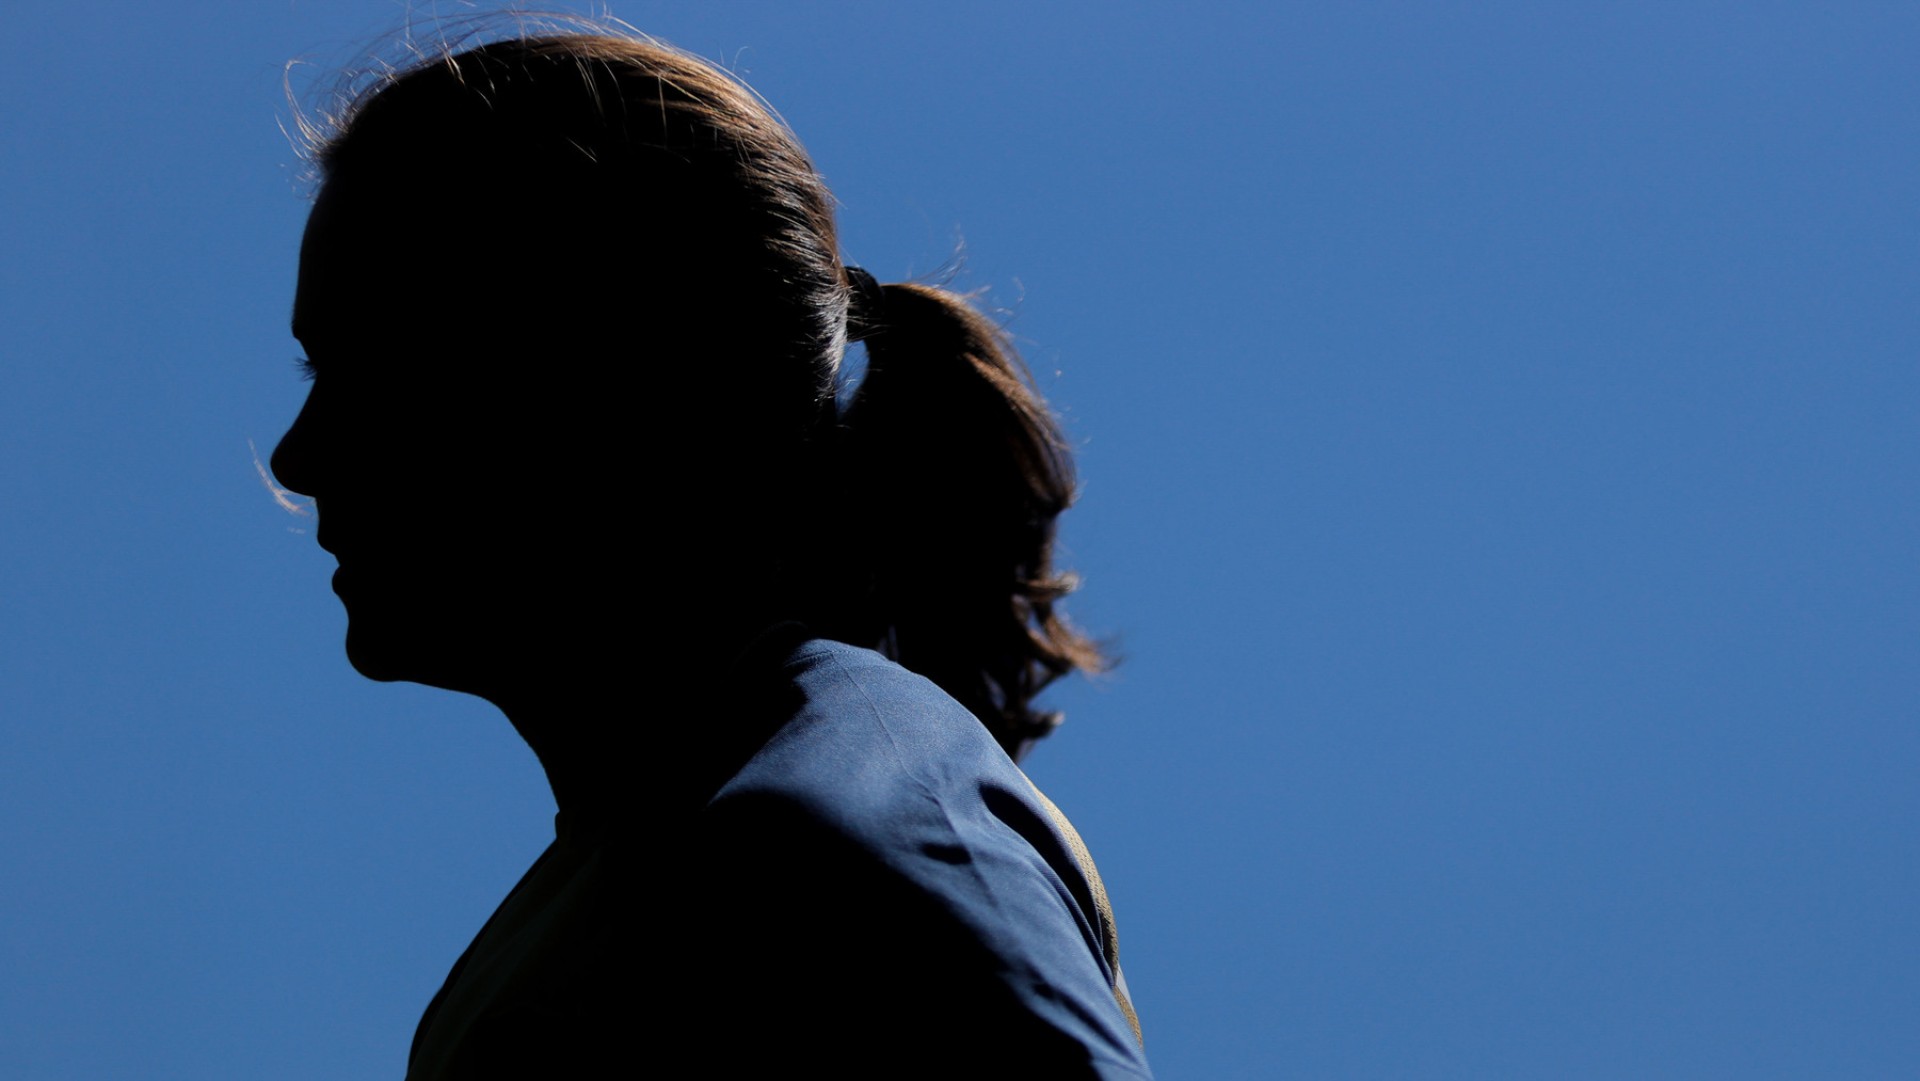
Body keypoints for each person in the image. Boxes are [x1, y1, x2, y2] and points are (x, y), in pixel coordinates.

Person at [271, 26, 1150, 1079]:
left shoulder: (830, 845)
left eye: (376, 366)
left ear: (627, 378)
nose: (297, 455)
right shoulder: (658, 865)